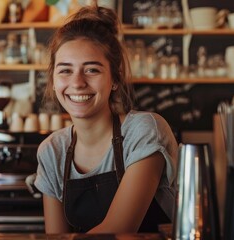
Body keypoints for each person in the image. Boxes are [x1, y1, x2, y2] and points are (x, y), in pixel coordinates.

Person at [34, 4, 178, 234]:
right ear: (52, 80)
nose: (77, 82)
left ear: (114, 80)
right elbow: (56, 237)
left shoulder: (143, 131)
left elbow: (117, 231)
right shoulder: (52, 151)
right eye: (65, 70)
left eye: (92, 70)